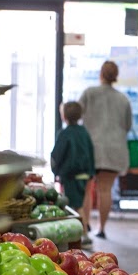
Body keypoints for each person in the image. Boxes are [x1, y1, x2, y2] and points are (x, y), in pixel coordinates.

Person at [79, 60, 133, 240]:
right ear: (116, 76)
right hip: (114, 150)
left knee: (87, 189)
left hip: (90, 148)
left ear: (100, 74)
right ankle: (101, 228)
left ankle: (85, 224)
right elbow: (127, 125)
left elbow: (76, 116)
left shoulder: (89, 93)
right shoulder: (123, 99)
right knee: (105, 190)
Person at [51, 101, 95, 244]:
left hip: (71, 176)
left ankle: (84, 236)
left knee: (75, 207)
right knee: (79, 204)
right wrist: (91, 173)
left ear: (64, 116)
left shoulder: (65, 134)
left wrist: (56, 171)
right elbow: (91, 152)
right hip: (84, 175)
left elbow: (57, 155)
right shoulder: (84, 132)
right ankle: (82, 233)